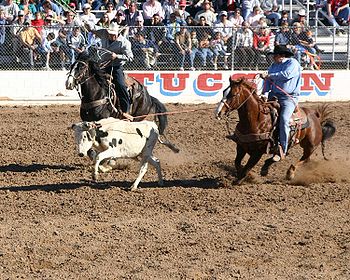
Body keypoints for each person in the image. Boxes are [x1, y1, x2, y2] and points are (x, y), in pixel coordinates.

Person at [260, 45, 302, 161]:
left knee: (283, 119)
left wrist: (269, 75)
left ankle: (283, 148)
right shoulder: (273, 66)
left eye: (274, 55)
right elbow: (268, 81)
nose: (273, 58)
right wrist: (264, 92)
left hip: (288, 98)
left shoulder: (292, 63)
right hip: (273, 95)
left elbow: (286, 75)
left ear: (281, 56)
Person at [85, 22, 134, 120]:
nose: (111, 36)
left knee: (120, 85)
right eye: (110, 34)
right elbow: (93, 28)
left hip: (116, 67)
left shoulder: (124, 42)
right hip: (103, 64)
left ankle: (125, 111)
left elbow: (130, 57)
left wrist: (117, 56)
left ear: (118, 33)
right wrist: (87, 22)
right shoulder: (103, 33)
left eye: (113, 34)